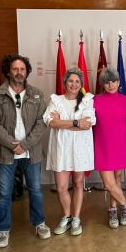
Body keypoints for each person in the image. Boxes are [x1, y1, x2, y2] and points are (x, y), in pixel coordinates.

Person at [0, 54, 50, 248]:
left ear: (27, 72)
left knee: (35, 190)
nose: (19, 72)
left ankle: (39, 224)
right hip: (5, 152)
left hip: (31, 152)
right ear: (8, 71)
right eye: (15, 69)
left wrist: (25, 145)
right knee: (4, 193)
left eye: (22, 69)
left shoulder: (36, 94)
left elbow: (42, 122)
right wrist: (13, 145)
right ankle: (3, 229)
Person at [43, 68, 95, 236]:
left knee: (79, 184)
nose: (74, 84)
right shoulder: (55, 100)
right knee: (61, 187)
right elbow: (51, 123)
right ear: (65, 83)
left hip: (80, 148)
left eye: (77, 82)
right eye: (71, 81)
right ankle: (67, 216)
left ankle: (76, 218)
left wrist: (62, 122)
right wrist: (76, 122)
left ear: (81, 84)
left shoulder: (87, 100)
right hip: (61, 149)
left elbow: (87, 124)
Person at [93, 68, 126, 229]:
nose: (111, 85)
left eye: (114, 81)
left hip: (120, 144)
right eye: (107, 82)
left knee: (117, 178)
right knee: (108, 183)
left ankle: (113, 209)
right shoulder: (95, 100)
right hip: (102, 145)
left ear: (118, 82)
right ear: (102, 84)